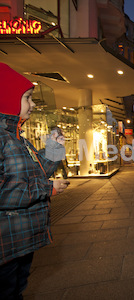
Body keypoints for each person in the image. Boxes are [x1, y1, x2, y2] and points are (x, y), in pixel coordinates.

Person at [0, 63, 69, 299]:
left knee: (17, 290)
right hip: (5, 245)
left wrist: (54, 148)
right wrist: (47, 188)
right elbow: (5, 192)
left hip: (18, 242)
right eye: (27, 98)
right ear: (7, 98)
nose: (33, 104)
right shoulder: (4, 139)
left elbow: (36, 170)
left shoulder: (17, 137)